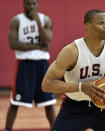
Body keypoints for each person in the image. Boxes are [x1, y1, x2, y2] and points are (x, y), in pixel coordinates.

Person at [42, 9, 105, 131]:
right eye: (101, 23)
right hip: (75, 108)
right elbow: (47, 84)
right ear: (88, 26)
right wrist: (82, 87)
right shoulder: (72, 51)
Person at [5, 0, 56, 131]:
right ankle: (7, 129)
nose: (31, 6)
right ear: (23, 4)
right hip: (24, 64)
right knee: (15, 102)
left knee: (49, 102)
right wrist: (37, 47)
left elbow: (47, 40)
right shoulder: (16, 20)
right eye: (28, 4)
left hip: (42, 65)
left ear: (37, 4)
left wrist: (37, 22)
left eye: (34, 3)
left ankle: (55, 129)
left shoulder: (45, 20)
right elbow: (13, 44)